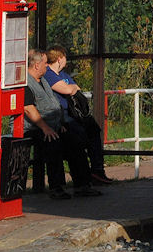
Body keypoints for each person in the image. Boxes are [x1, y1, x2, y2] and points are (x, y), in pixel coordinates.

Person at [23, 49, 100, 199]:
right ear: (37, 65)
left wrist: (61, 123)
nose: (47, 66)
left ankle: (82, 184)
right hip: (35, 127)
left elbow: (54, 104)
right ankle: (56, 187)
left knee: (75, 140)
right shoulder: (27, 83)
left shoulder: (44, 79)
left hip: (55, 124)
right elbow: (28, 109)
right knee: (54, 143)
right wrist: (45, 128)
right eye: (45, 63)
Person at [44, 45, 113, 185]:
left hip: (74, 114)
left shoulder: (63, 74)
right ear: (59, 58)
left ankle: (97, 170)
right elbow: (68, 90)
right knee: (78, 136)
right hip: (63, 116)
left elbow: (75, 88)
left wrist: (72, 88)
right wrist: (72, 88)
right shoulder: (48, 74)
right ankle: (85, 177)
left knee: (94, 129)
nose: (65, 60)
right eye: (64, 57)